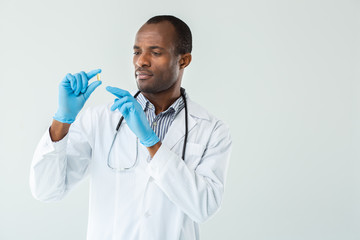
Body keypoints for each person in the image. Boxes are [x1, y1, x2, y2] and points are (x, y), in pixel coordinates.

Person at [30, 15, 232, 240]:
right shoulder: (100, 120)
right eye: (137, 52)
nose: (141, 61)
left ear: (183, 60)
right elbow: (46, 190)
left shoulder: (212, 130)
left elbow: (204, 207)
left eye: (155, 52)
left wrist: (151, 142)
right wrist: (63, 120)